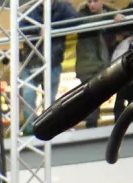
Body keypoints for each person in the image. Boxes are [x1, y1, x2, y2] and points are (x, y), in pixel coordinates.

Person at [20, 1, 79, 129]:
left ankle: (48, 127)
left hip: (52, 61)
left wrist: (52, 28)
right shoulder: (31, 10)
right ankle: (32, 129)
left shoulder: (63, 7)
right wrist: (38, 29)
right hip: (32, 61)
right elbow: (20, 27)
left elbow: (76, 20)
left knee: (49, 99)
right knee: (28, 95)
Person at [75, 0, 126, 127]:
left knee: (117, 93)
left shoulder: (113, 14)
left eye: (95, 1)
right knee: (92, 99)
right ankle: (92, 127)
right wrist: (110, 17)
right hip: (88, 66)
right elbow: (88, 23)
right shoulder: (82, 15)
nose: (91, 4)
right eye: (89, 1)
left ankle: (118, 124)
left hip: (107, 65)